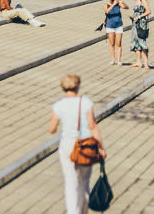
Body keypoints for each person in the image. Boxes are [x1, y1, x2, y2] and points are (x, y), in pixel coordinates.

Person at [48, 75, 106, 214]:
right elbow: (92, 126)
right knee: (84, 180)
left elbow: (52, 129)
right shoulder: (86, 103)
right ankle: (83, 210)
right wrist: (101, 147)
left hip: (68, 144)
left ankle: (73, 211)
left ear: (63, 88)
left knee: (71, 180)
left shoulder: (59, 105)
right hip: (86, 143)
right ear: (78, 86)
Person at [104, 0, 128, 65]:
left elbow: (126, 7)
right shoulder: (106, 4)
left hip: (119, 25)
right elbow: (107, 11)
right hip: (110, 26)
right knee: (112, 43)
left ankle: (119, 60)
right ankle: (113, 60)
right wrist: (113, 5)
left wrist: (122, 2)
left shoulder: (118, 4)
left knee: (119, 44)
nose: (114, 0)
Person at [130, 0, 151, 69]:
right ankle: (138, 62)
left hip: (141, 24)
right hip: (135, 23)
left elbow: (149, 11)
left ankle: (146, 63)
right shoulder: (136, 0)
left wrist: (139, 17)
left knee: (142, 42)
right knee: (135, 42)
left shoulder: (143, 0)